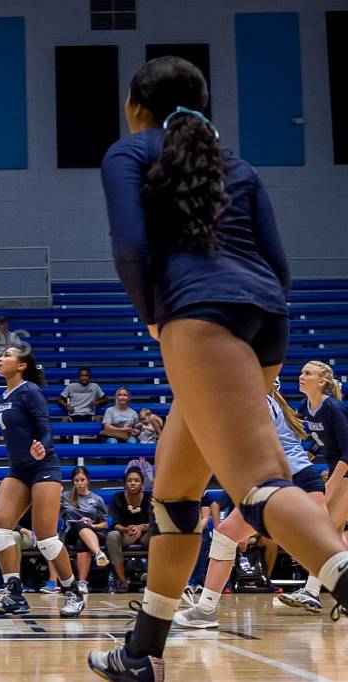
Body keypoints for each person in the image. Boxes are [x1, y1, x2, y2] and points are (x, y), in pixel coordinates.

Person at [88, 56, 348, 679]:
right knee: (175, 498)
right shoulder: (238, 166)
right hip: (267, 321)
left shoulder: (129, 153)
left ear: (135, 106)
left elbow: (129, 246)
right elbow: (279, 266)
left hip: (200, 318)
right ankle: (141, 654)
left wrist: (156, 315)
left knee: (256, 485)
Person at [176, 383, 328, 627]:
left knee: (324, 547)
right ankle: (205, 609)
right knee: (323, 543)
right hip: (295, 478)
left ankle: (206, 609)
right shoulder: (270, 401)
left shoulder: (256, 401)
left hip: (285, 478)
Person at [0, 345, 86, 618]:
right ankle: (14, 594)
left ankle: (73, 591)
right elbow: (15, 432)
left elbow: (45, 429)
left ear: (21, 366)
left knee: (47, 539)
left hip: (44, 468)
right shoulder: (4, 396)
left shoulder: (30, 390)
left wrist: (42, 447)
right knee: (0, 529)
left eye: (7, 355)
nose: (0, 358)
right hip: (18, 470)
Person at [279, 362, 348, 612]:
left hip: (344, 472)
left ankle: (311, 591)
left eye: (308, 373)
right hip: (338, 470)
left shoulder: (332, 407)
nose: (301, 376)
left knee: (325, 530)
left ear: (322, 382)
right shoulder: (305, 407)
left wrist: (330, 483)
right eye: (301, 372)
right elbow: (317, 444)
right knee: (335, 534)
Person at [61, 466, 110, 594]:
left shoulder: (97, 499)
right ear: (73, 482)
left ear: (88, 481)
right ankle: (98, 553)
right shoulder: (65, 497)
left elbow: (104, 524)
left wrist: (93, 526)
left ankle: (82, 582)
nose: (79, 483)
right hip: (70, 533)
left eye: (82, 480)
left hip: (92, 533)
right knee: (79, 524)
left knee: (82, 541)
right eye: (76, 480)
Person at [107, 468, 152, 592]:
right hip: (125, 534)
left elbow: (154, 521)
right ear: (125, 483)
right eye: (129, 480)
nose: (132, 483)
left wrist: (141, 527)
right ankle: (123, 581)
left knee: (158, 534)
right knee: (112, 536)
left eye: (136, 480)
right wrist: (126, 530)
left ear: (142, 484)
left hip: (145, 533)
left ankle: (151, 580)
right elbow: (115, 523)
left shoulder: (149, 497)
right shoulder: (118, 497)